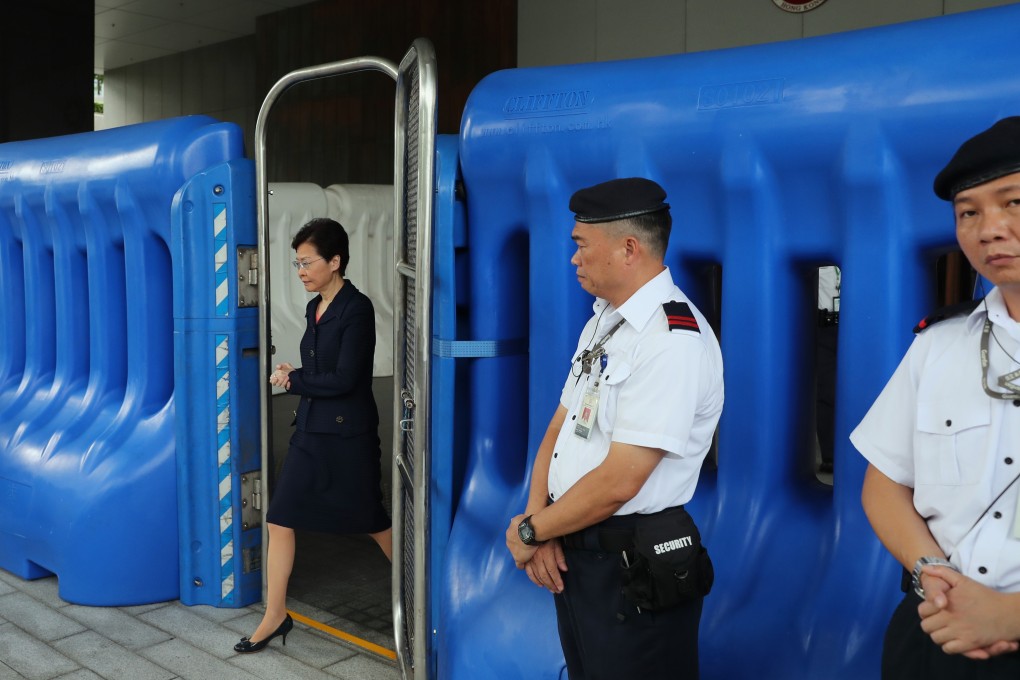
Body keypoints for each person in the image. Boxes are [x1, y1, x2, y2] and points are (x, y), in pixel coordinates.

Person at [504, 178, 724, 679]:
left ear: (628, 248)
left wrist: (531, 530)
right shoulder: (606, 321)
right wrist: (540, 522)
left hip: (632, 561)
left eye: (581, 244)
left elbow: (623, 479)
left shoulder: (672, 339)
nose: (573, 258)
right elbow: (560, 428)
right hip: (581, 552)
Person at [851, 116, 1020, 678]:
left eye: (1013, 201)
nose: (989, 228)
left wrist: (1008, 616)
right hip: (934, 630)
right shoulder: (940, 346)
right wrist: (930, 572)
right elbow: (883, 483)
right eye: (968, 212)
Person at [235, 217, 392, 654]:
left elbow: (346, 379)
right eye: (296, 263)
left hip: (347, 436)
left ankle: (422, 597)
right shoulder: (314, 307)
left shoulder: (357, 309)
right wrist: (296, 373)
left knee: (374, 521)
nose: (301, 270)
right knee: (279, 518)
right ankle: (275, 615)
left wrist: (295, 381)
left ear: (335, 261)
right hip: (310, 430)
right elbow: (322, 370)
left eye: (308, 262)